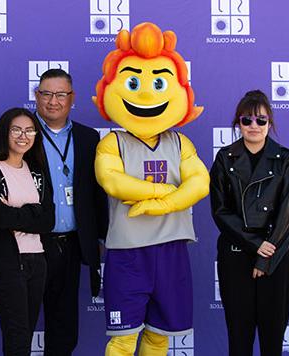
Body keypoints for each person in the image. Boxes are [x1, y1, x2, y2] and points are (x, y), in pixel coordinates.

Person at [93, 23, 209, 356]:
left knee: (160, 337)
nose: (146, 94)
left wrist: (166, 203)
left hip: (171, 250)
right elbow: (113, 181)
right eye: (133, 82)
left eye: (158, 83)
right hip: (128, 252)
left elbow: (200, 181)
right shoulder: (112, 143)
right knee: (123, 340)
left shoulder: (180, 142)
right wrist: (163, 193)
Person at [210, 90, 289, 356]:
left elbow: (287, 213)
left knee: (273, 337)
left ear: (270, 124)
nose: (254, 126)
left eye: (261, 120)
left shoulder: (286, 158)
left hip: (276, 255)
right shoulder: (224, 158)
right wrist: (254, 245)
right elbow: (220, 211)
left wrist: (265, 257)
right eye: (247, 119)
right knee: (239, 336)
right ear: (238, 123)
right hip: (236, 254)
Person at [34, 68, 108, 356]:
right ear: (36, 96)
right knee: (22, 322)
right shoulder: (23, 132)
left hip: (71, 243)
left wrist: (99, 236)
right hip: (31, 243)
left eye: (60, 94)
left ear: (72, 98)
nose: (53, 101)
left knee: (64, 326)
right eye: (46, 94)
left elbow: (98, 192)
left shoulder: (89, 138)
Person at [0, 108, 54, 355]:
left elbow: (48, 220)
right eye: (16, 129)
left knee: (26, 334)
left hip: (37, 261)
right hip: (7, 264)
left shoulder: (36, 170)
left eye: (29, 130)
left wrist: (20, 213)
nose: (23, 135)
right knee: (16, 335)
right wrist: (33, 212)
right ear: (4, 133)